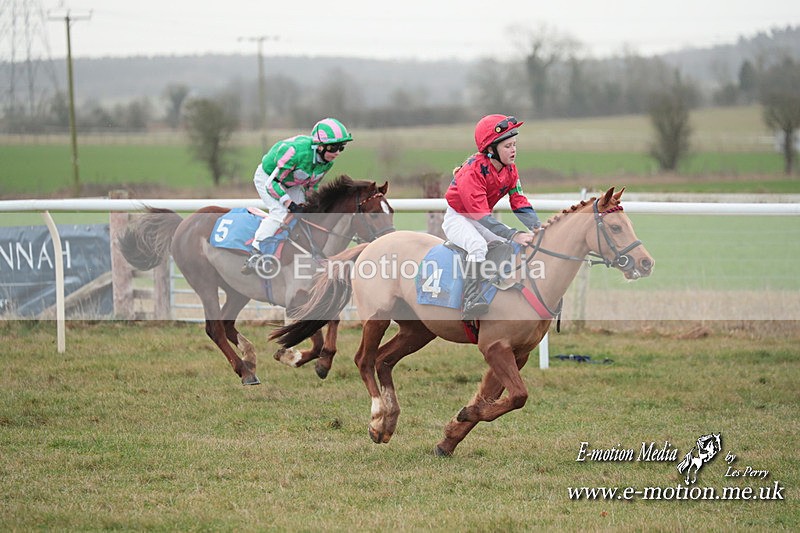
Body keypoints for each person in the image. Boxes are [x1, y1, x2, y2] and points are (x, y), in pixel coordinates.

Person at [442, 114, 540, 319]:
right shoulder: (472, 171)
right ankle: (470, 299)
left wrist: (539, 228)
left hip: (480, 217)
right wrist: (514, 234)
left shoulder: (510, 169)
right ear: (490, 149)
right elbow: (479, 213)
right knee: (478, 246)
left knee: (505, 246)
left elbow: (519, 201)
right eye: (507, 146)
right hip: (459, 217)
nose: (513, 150)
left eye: (514, 144)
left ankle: (495, 288)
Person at [242, 118, 353, 274]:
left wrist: (313, 206)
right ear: (319, 146)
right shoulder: (295, 152)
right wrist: (290, 205)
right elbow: (272, 184)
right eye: (334, 147)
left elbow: (311, 186)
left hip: (292, 183)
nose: (337, 153)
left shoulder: (328, 162)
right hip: (267, 178)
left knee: (306, 214)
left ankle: (307, 250)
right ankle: (255, 253)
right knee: (280, 213)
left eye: (341, 148)